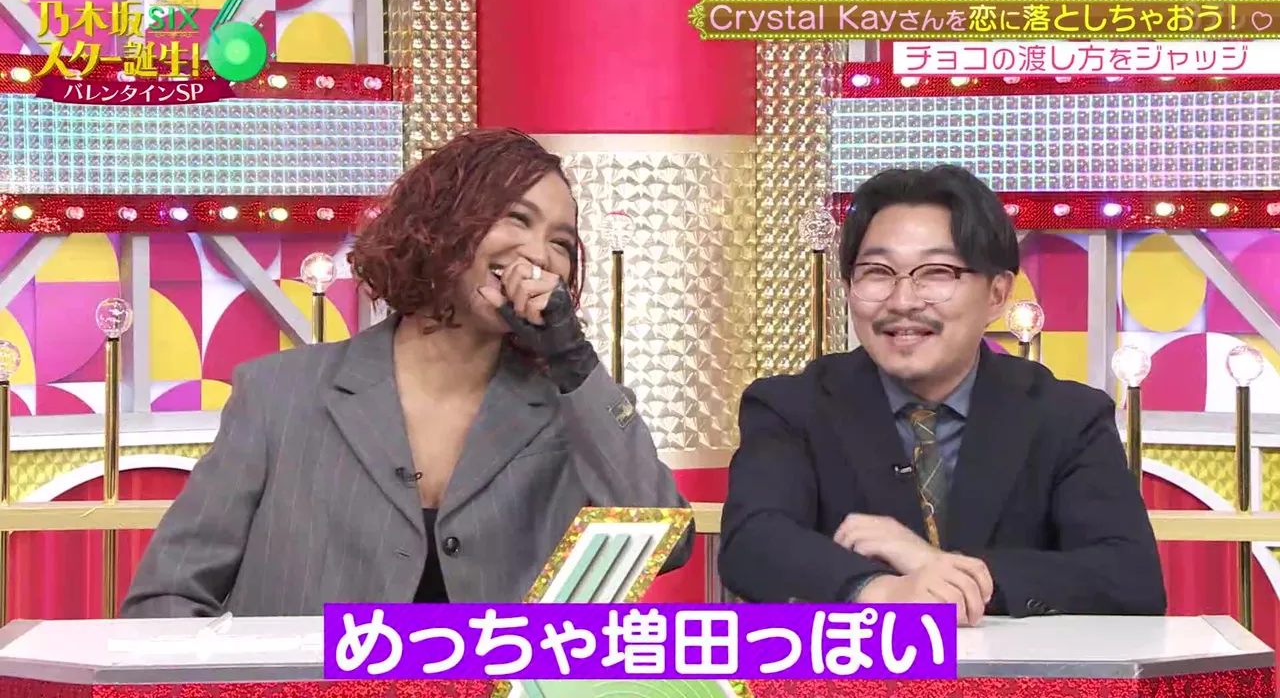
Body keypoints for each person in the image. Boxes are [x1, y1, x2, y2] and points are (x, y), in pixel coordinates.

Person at [122, 128, 691, 617]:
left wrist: (571, 357)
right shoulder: (279, 395)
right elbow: (168, 595)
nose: (539, 254)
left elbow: (666, 538)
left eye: (561, 243)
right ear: (442, 223)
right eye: (516, 218)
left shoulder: (573, 409)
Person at [718, 165, 1165, 624]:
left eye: (936, 272)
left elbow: (1129, 577)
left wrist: (939, 569)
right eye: (877, 272)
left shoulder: (1066, 417)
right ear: (849, 287)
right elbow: (753, 542)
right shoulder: (791, 408)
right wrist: (878, 589)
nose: (903, 301)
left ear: (997, 293)